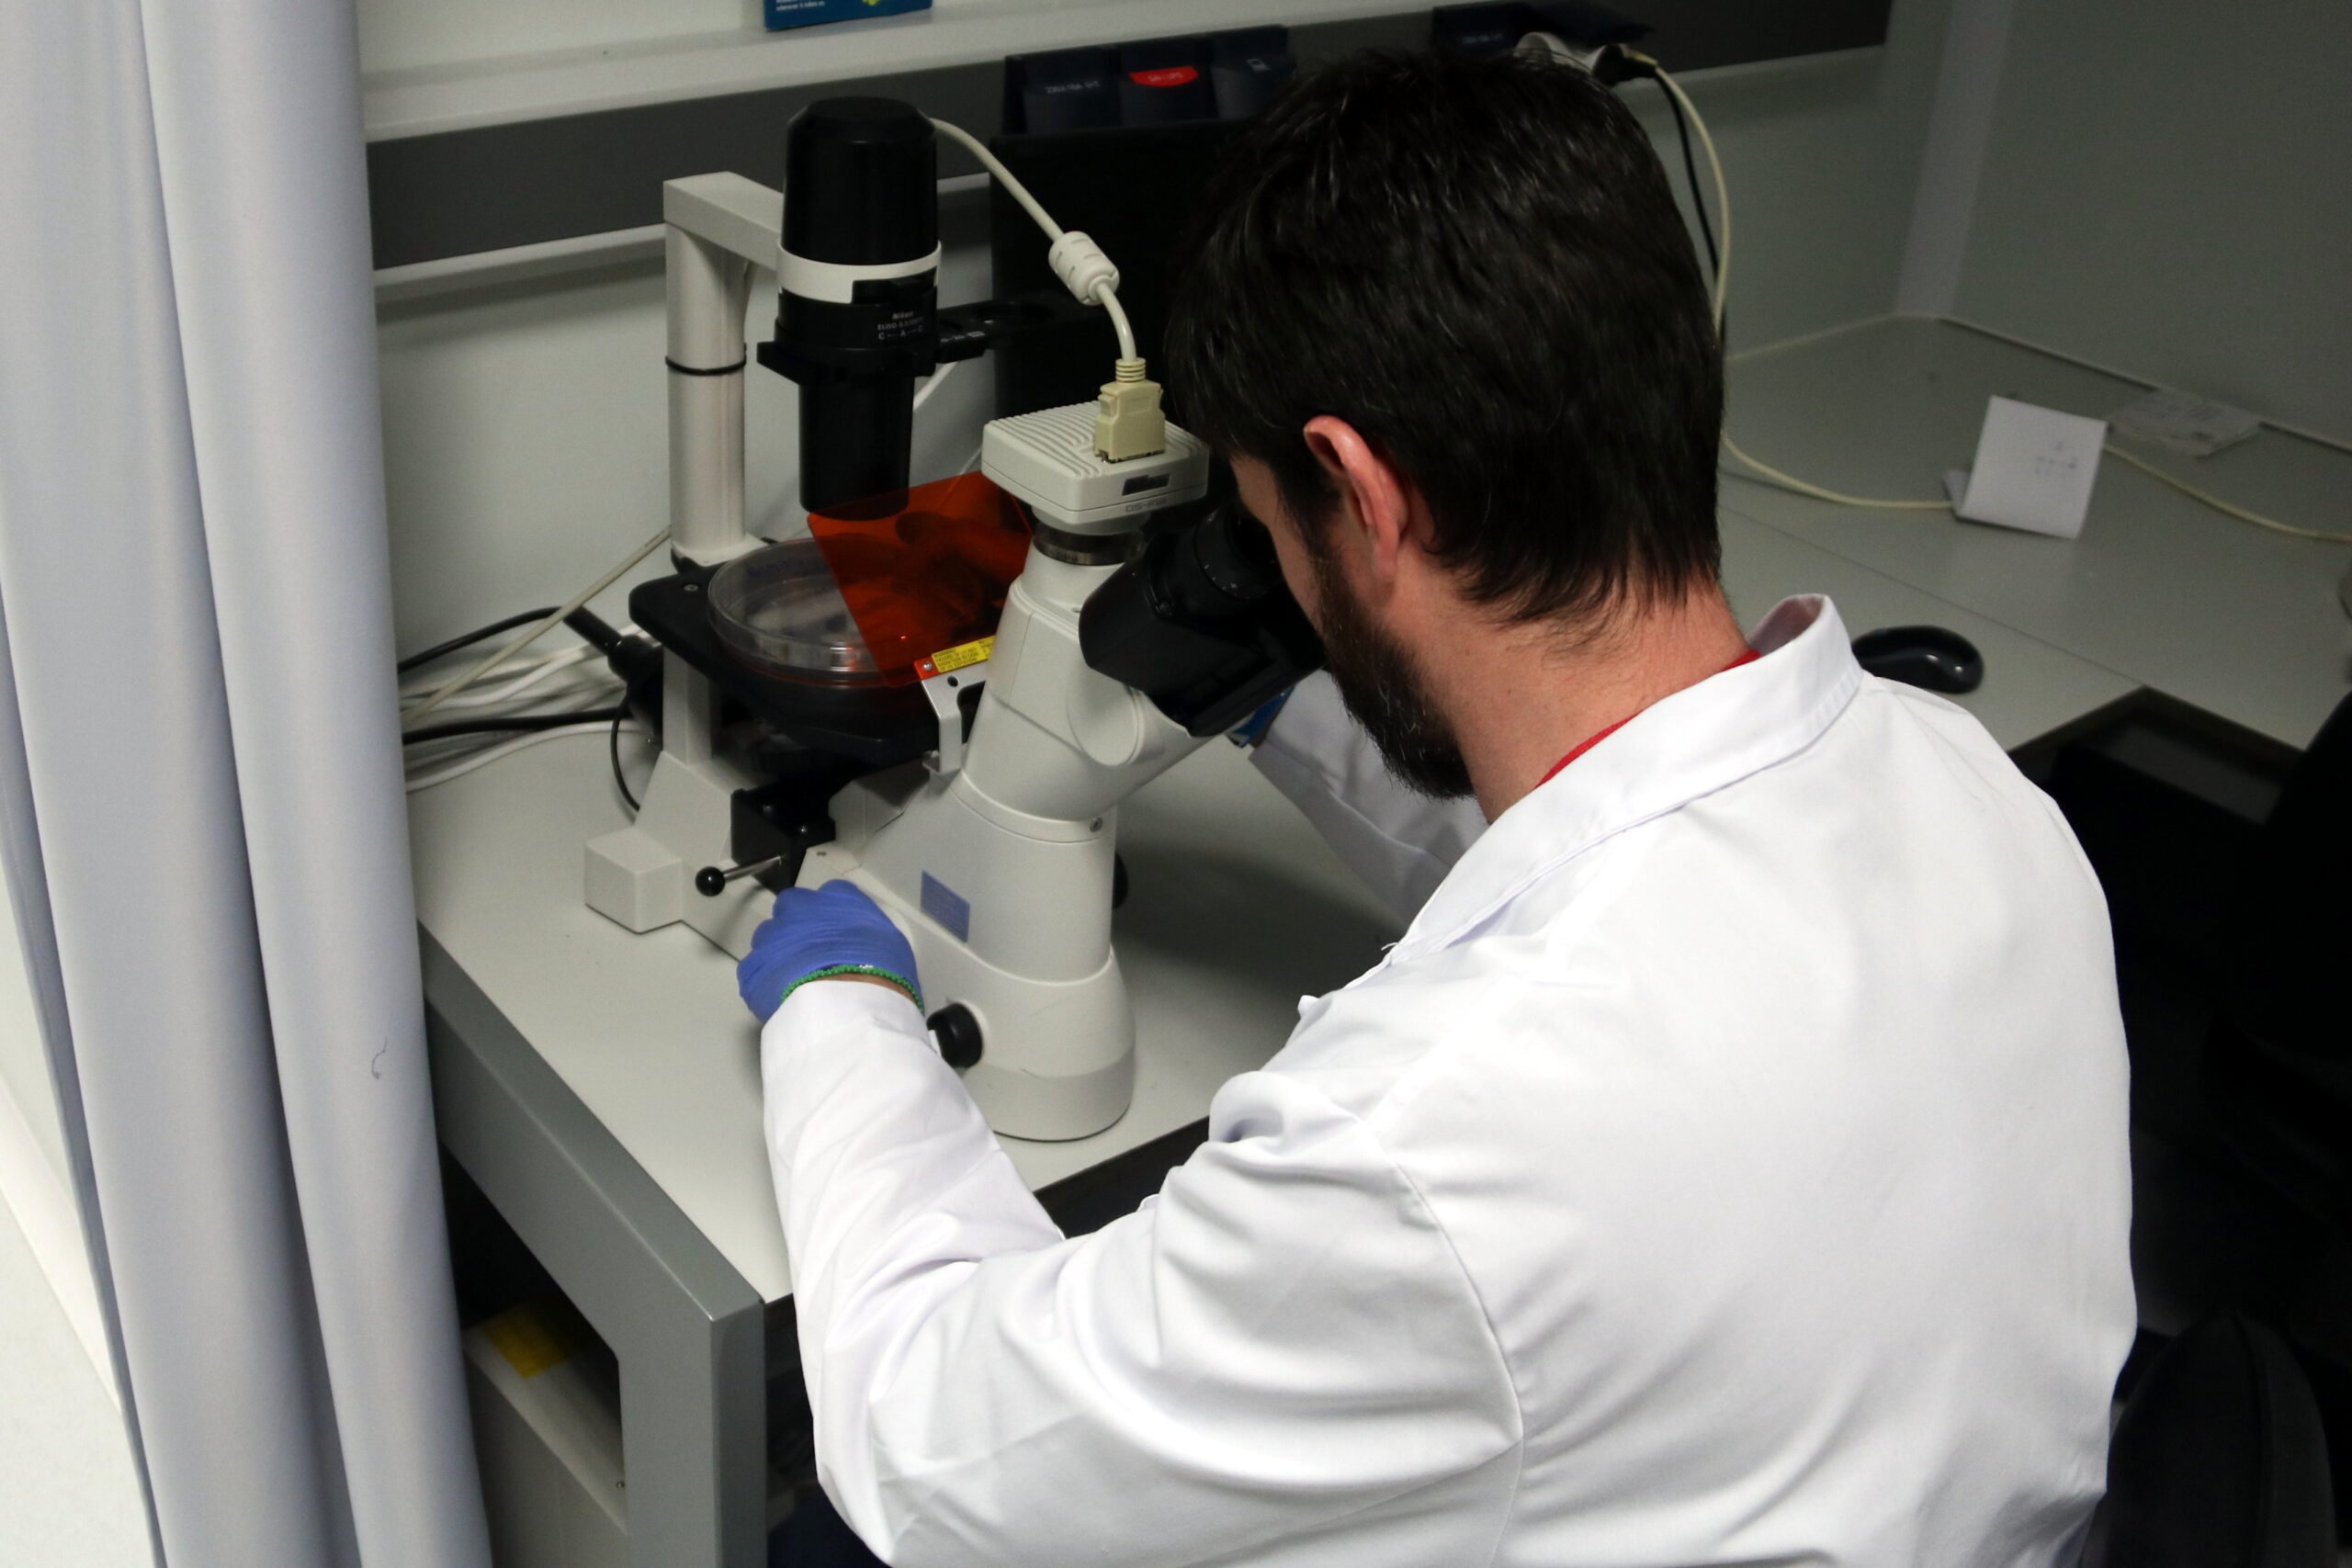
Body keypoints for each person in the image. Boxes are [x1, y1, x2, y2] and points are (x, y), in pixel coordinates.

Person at [741, 48, 2133, 1568]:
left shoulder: (1428, 1149)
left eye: (1267, 527)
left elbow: (931, 1448)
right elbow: (1602, 876)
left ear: (1361, 491)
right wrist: (1281, 704)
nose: (1271, 572)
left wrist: (842, 1015)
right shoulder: (1975, 790)